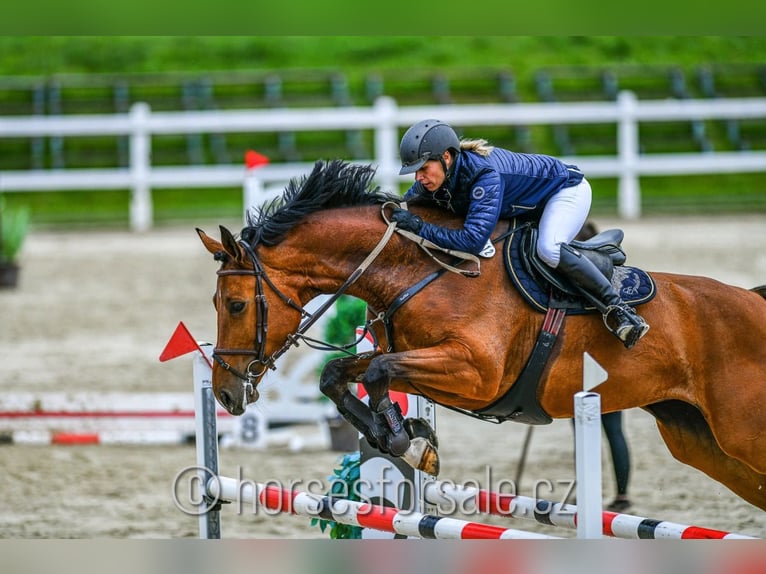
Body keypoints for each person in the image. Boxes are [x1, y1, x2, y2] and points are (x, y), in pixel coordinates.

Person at [392, 119, 649, 349]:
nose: (419, 177)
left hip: (566, 191)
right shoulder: (440, 175)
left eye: (424, 168)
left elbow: (472, 241)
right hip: (529, 203)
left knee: (548, 249)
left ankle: (619, 310)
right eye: (416, 171)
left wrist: (420, 228)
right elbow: (407, 205)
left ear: (446, 157)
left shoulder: (484, 175)